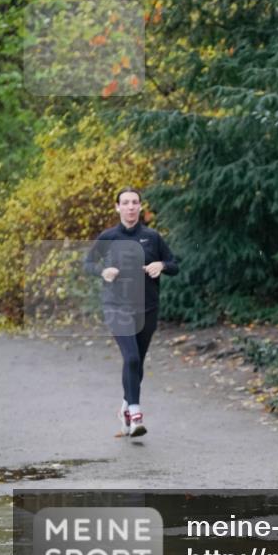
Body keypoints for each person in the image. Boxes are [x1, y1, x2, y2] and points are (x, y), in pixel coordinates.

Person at [84, 187, 179, 437]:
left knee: (137, 363)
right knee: (132, 359)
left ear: (140, 207)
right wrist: (102, 272)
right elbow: (88, 263)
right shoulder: (108, 236)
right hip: (117, 308)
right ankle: (135, 415)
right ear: (117, 208)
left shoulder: (153, 237)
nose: (130, 207)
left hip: (147, 308)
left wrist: (162, 265)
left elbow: (174, 265)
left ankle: (125, 407)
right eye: (125, 203)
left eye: (134, 202)